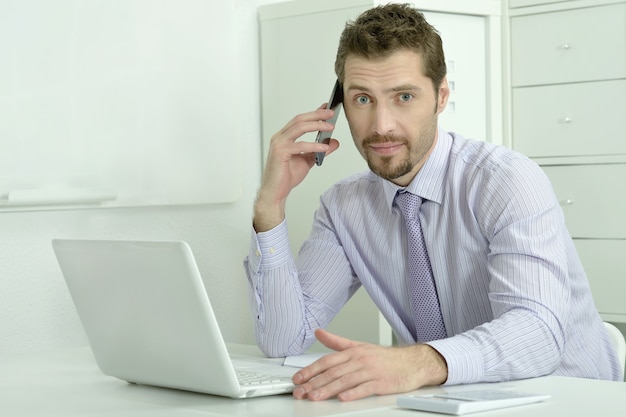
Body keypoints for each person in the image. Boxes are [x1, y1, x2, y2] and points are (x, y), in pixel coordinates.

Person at [244, 3, 623, 402]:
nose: (382, 125)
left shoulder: (506, 181)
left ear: (441, 96)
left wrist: (412, 363)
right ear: (336, 110)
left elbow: (537, 332)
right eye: (362, 100)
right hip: (455, 403)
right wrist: (270, 205)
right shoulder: (343, 208)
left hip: (572, 400)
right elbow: (284, 339)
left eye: (404, 96)